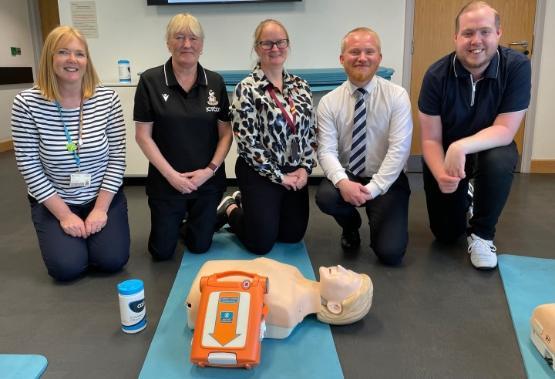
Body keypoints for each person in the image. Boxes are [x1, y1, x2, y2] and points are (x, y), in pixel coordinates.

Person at [11, 26, 130, 281]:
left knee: (112, 261)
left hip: (101, 196)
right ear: (49, 58)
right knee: (67, 269)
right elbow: (28, 165)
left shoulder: (107, 99)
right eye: (63, 52)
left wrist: (100, 209)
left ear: (87, 60)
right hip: (56, 199)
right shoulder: (26, 103)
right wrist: (65, 215)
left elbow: (117, 157)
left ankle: (93, 233)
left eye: (79, 53)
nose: (72, 60)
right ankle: (70, 237)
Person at [418, 1, 531, 270]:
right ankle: (465, 195)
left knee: (500, 158)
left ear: (498, 34)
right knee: (446, 236)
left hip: (489, 149)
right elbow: (431, 139)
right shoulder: (436, 75)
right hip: (447, 155)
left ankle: (482, 234)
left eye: (485, 32)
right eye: (468, 33)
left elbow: (505, 129)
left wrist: (461, 147)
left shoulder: (516, 67)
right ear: (456, 37)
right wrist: (441, 173)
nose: (475, 41)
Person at [134, 13, 233, 260]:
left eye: (193, 38)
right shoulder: (150, 80)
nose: (186, 44)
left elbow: (226, 133)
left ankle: (222, 210)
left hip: (207, 182)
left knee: (200, 246)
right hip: (167, 183)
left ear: (202, 45)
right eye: (179, 37)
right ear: (168, 43)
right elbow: (143, 136)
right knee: (161, 252)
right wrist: (172, 177)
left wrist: (209, 171)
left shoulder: (215, 82)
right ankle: (183, 218)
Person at [216, 19, 316, 254]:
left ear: (287, 45)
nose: (275, 48)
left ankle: (249, 202)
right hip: (259, 170)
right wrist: (279, 177)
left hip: (293, 169)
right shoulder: (246, 88)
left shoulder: (302, 86)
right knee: (260, 243)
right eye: (267, 43)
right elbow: (248, 143)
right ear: (257, 48)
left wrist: (305, 168)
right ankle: (231, 206)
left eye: (280, 42)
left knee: (292, 236)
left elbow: (310, 133)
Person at [316, 27, 413, 266]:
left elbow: (399, 150)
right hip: (350, 174)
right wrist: (343, 183)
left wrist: (374, 189)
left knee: (391, 254)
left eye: (369, 51)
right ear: (342, 59)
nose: (362, 57)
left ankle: (377, 215)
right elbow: (326, 150)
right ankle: (351, 226)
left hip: (387, 179)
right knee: (326, 197)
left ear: (379, 58)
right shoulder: (329, 102)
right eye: (354, 52)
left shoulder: (397, 96)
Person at [185, 257, 373, 339]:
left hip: (202, 289)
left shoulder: (288, 310)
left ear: (334, 307)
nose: (341, 268)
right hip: (206, 281)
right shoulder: (295, 273)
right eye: (348, 270)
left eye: (347, 277)